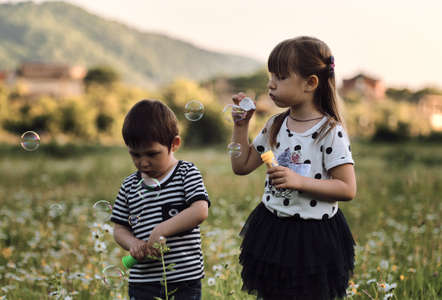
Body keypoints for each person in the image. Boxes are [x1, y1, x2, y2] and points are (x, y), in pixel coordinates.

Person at [230, 36, 356, 300]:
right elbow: (241, 166)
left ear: (310, 83)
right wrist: (240, 127)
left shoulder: (330, 132)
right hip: (274, 231)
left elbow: (346, 188)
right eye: (271, 76)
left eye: (281, 77)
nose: (270, 84)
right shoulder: (275, 125)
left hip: (314, 238)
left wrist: (298, 181)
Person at [111, 99, 210, 300]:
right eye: (135, 155)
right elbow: (119, 228)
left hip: (184, 278)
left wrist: (161, 230)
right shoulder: (129, 185)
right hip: (143, 281)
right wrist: (132, 243)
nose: (143, 162)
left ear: (174, 144)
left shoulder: (185, 173)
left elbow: (200, 210)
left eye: (152, 154)